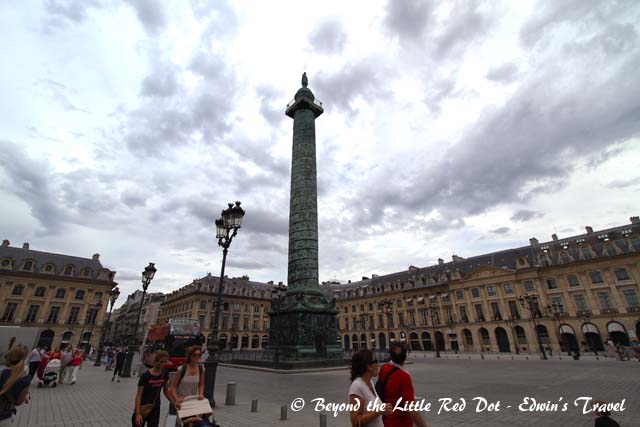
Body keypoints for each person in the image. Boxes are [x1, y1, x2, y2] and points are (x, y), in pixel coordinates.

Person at [379, 342, 427, 427]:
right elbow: (410, 408)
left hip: (386, 420)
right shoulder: (404, 377)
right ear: (405, 357)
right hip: (400, 422)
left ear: (390, 356)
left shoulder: (384, 369)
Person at [348, 349, 391, 427]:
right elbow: (355, 422)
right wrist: (378, 411)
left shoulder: (370, 382)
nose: (378, 365)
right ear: (368, 366)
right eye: (376, 361)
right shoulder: (357, 386)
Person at [132, 350, 173, 427]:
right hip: (142, 407)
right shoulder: (145, 376)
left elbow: (166, 390)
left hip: (155, 407)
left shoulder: (165, 373)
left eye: (165, 362)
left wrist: (173, 401)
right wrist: (137, 414)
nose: (163, 364)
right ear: (156, 361)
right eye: (161, 362)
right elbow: (139, 395)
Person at [0, 345, 31, 426]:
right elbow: (18, 402)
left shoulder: (2, 373)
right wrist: (25, 396)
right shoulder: (25, 378)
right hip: (5, 418)